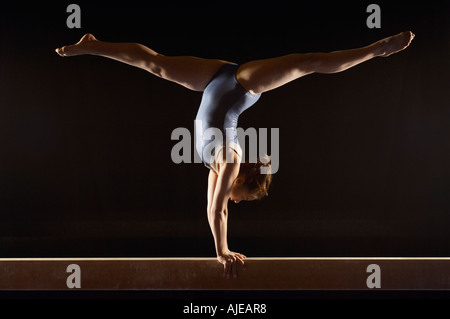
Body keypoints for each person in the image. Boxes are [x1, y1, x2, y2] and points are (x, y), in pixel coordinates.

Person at [56, 31, 415, 278]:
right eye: (247, 195)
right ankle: (376, 49)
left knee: (157, 64)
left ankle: (94, 45)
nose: (240, 201)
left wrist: (220, 246)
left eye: (244, 200)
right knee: (308, 62)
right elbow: (220, 209)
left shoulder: (218, 167)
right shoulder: (229, 158)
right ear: (242, 179)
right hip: (243, 85)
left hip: (214, 80)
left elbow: (211, 207)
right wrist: (222, 250)